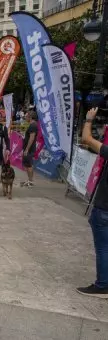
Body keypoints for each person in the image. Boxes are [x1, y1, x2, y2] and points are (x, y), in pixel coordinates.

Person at [77, 107, 108, 297]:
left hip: (104, 208)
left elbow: (86, 139)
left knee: (103, 247)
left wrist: (89, 119)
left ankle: (103, 284)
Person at [21, 111, 38, 187]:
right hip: (27, 148)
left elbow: (31, 138)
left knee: (29, 165)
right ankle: (29, 180)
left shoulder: (33, 125)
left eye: (26, 116)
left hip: (29, 149)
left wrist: (27, 149)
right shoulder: (31, 125)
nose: (25, 117)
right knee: (27, 164)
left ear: (30, 117)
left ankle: (31, 181)